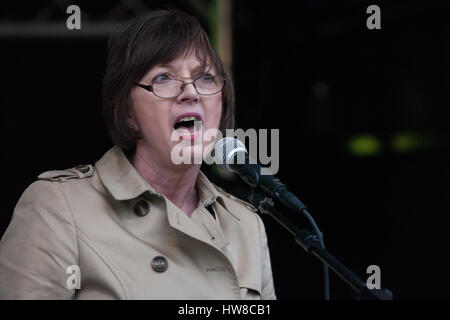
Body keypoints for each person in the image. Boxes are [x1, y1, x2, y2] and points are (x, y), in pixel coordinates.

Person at [0, 9, 276, 299]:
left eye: (205, 77)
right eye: (164, 77)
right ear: (128, 112)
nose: (191, 92)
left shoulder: (246, 226)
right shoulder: (58, 209)